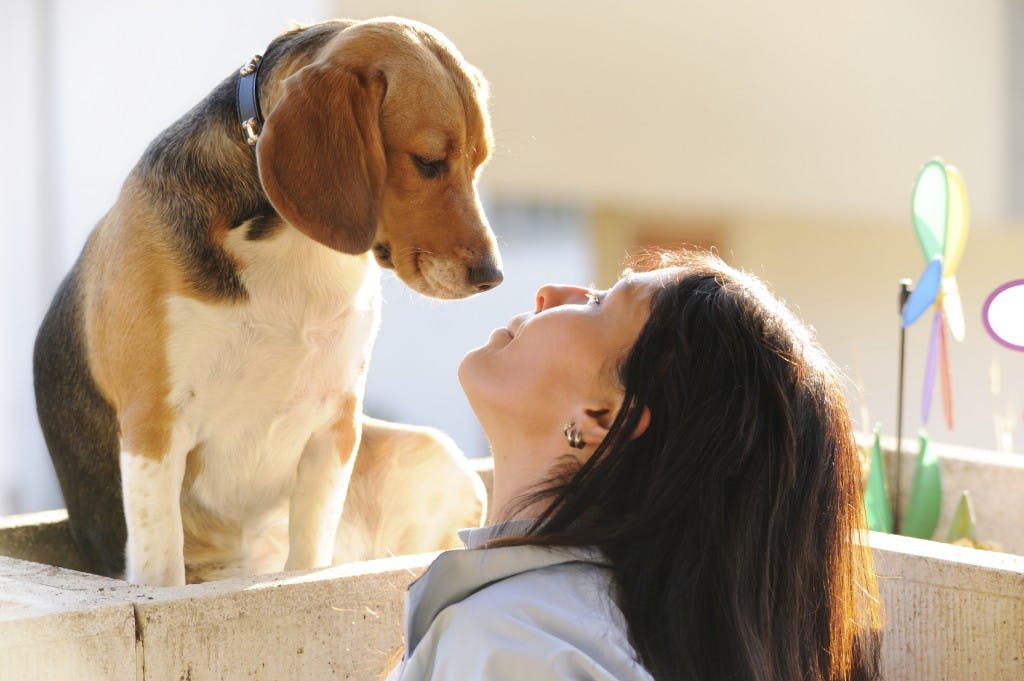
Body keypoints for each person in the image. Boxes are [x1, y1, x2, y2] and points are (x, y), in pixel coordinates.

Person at [386, 249, 881, 681]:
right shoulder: (563, 633)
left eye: (598, 303)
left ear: (605, 419)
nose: (551, 292)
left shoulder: (510, 646)